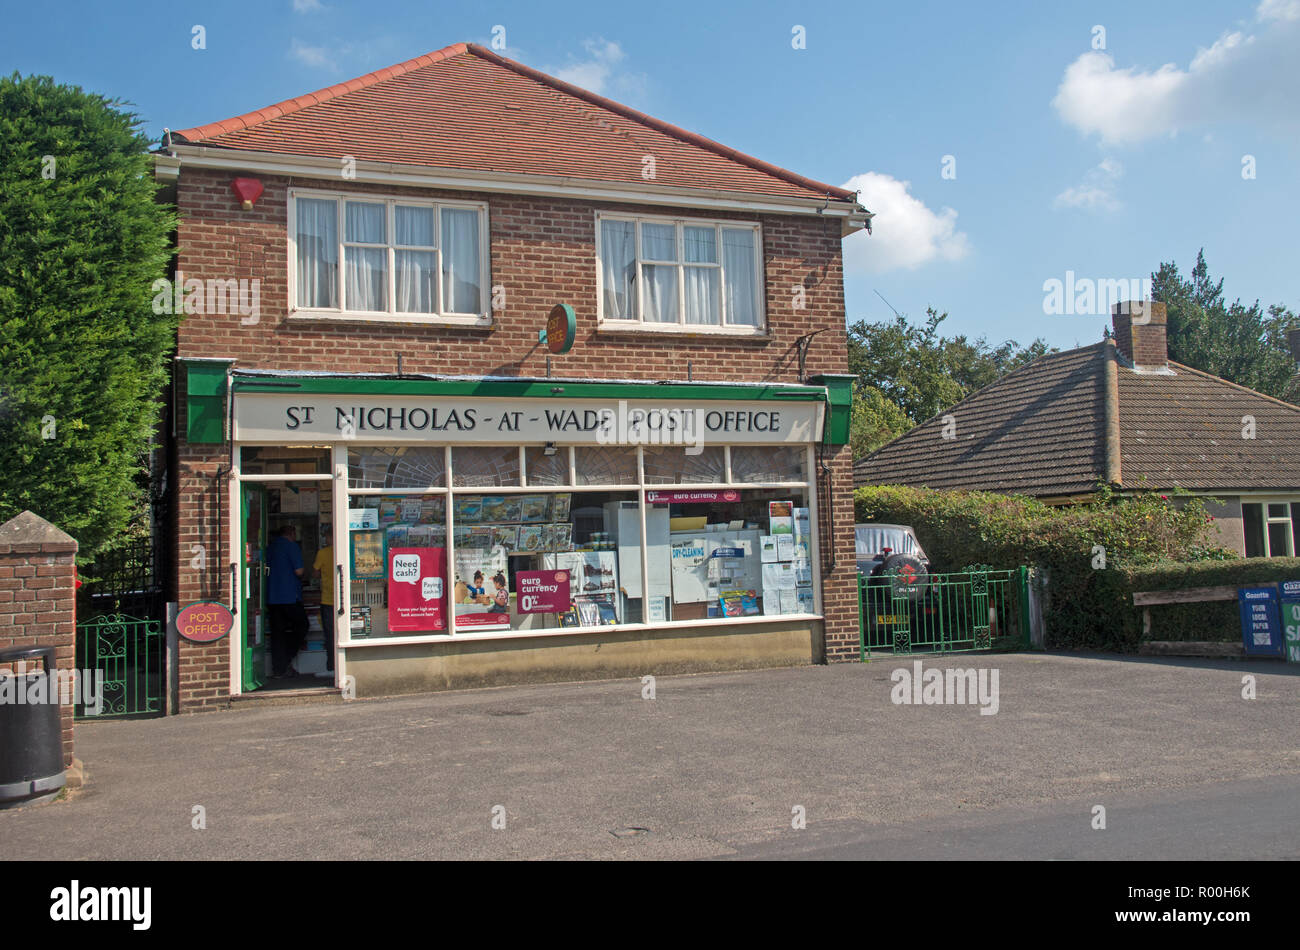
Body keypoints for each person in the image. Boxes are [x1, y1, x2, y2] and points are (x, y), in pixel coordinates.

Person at [267, 524, 309, 678]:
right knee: (302, 626)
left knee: (277, 634)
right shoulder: (291, 547)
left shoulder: (270, 547)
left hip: (272, 596)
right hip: (290, 596)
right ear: (292, 533)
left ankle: (278, 669)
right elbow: (299, 571)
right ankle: (287, 659)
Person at [312, 542, 335, 677]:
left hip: (328, 598)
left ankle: (331, 666)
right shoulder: (344, 548)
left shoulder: (323, 552)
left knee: (330, 634)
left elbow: (315, 574)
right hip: (343, 598)